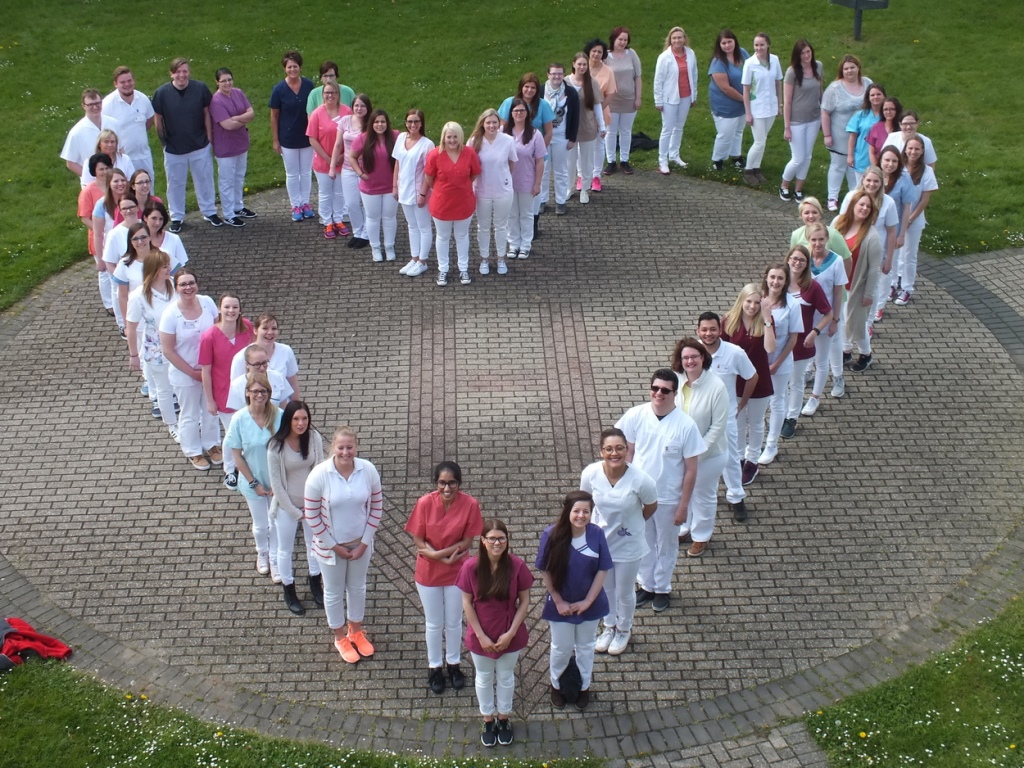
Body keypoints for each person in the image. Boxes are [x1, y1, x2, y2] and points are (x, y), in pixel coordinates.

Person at [616, 370, 705, 609]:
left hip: (668, 499)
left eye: (665, 390)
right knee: (643, 542)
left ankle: (662, 588)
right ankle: (646, 585)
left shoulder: (686, 426)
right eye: (655, 388)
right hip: (639, 497)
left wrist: (684, 506)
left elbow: (691, 470)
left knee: (666, 545)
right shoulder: (636, 415)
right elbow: (627, 452)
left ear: (675, 394)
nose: (659, 393)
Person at [304, 426, 383, 662]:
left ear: (356, 447)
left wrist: (365, 543)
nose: (345, 452)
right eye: (341, 447)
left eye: (350, 447)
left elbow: (376, 508)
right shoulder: (319, 475)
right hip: (331, 549)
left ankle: (356, 632)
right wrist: (334, 546)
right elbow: (311, 515)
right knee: (334, 592)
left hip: (361, 545)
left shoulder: (367, 470)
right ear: (333, 448)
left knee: (358, 588)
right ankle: (340, 637)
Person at [405, 461, 483, 695]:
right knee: (433, 622)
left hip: (457, 570)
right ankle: (434, 666)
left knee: (453, 621)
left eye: (452, 483)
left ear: (459, 483)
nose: (447, 488)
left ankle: (454, 663)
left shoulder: (470, 504)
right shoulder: (424, 503)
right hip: (429, 572)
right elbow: (418, 540)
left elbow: (468, 541)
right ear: (435, 483)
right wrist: (441, 556)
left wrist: (445, 557)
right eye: (442, 483)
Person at [579, 428, 657, 656]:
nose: (615, 453)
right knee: (606, 588)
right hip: (601, 542)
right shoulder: (591, 473)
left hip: (628, 545)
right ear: (601, 451)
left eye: (619, 448)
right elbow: (584, 503)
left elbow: (651, 506)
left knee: (624, 591)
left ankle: (624, 628)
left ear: (626, 449)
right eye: (609, 449)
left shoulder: (642, 480)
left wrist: (634, 525)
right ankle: (609, 625)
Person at [457, 519, 533, 748]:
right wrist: (480, 636)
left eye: (501, 538)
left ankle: (504, 718)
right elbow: (467, 603)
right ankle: (488, 719)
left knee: (506, 676)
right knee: (484, 676)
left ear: (507, 540)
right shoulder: (471, 567)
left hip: (509, 633)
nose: (497, 542)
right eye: (492, 538)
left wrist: (510, 634)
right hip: (481, 633)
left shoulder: (517, 566)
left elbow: (525, 600)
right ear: (483, 541)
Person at [535, 490, 610, 711]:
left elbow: (603, 569)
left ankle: (584, 687)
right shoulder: (551, 535)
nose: (581, 515)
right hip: (561, 606)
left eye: (586, 511)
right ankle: (556, 686)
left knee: (586, 647)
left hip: (590, 604)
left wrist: (588, 602)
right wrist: (558, 601)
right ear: (567, 511)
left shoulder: (596, 534)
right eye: (576, 511)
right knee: (561, 647)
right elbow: (545, 570)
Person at [694, 312, 758, 521]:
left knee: (731, 458)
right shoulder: (690, 352)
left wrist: (743, 402)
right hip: (696, 418)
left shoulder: (734, 353)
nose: (708, 333)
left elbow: (752, 376)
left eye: (713, 329)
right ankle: (695, 498)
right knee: (696, 457)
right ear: (698, 331)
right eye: (704, 329)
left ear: (720, 330)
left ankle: (736, 498)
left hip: (726, 418)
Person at [672, 339, 730, 557]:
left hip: (709, 455)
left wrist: (697, 454)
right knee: (683, 492)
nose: (689, 361)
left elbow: (718, 426)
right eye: (685, 357)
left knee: (703, 495)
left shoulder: (716, 386)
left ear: (703, 358)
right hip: (681, 453)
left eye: (694, 356)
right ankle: (685, 528)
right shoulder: (676, 380)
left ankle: (701, 536)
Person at [159, 268, 221, 470]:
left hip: (209, 370)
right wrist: (193, 373)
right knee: (190, 413)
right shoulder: (170, 315)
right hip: (184, 374)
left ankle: (212, 445)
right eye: (183, 284)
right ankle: (193, 451)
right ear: (176, 288)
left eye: (191, 283)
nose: (188, 287)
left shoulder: (207, 302)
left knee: (211, 409)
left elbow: (217, 332)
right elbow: (168, 351)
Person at [224, 372, 284, 581]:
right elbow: (237, 456)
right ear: (247, 393)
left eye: (264, 391)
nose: (260, 395)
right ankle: (263, 553)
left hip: (277, 480)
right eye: (255, 391)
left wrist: (279, 482)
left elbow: (286, 451)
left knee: (275, 521)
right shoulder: (239, 419)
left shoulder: (280, 416)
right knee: (261, 524)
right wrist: (254, 483)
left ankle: (275, 558)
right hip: (252, 481)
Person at [268, 401, 325, 615]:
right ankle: (289, 589)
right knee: (285, 549)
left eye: (304, 419)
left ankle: (315, 581)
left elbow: (319, 469)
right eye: (296, 419)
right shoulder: (276, 446)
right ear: (288, 421)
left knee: (314, 545)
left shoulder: (314, 438)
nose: (301, 423)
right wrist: (294, 512)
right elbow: (277, 484)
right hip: (286, 506)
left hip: (311, 504)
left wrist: (313, 506)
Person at [152, 57, 219, 231]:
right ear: (171, 73)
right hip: (174, 148)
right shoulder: (162, 93)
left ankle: (209, 211)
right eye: (178, 71)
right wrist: (163, 142)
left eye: (185, 71)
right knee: (175, 183)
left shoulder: (200, 89)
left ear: (189, 72)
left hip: (199, 144)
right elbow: (157, 119)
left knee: (205, 179)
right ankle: (176, 217)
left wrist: (209, 138)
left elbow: (207, 113)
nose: (181, 75)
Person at [720, 284, 775, 485]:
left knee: (756, 422)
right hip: (735, 382)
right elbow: (721, 350)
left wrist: (768, 318)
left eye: (756, 302)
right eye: (748, 301)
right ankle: (740, 457)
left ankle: (753, 460)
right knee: (738, 422)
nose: (752, 306)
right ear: (741, 301)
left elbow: (770, 348)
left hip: (759, 381)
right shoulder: (729, 320)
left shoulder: (765, 322)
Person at [200, 293, 255, 488]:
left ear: (240, 310)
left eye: (234, 307)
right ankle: (229, 470)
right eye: (227, 307)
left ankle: (245, 466)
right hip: (223, 393)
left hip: (248, 392)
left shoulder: (248, 328)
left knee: (247, 431)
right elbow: (206, 371)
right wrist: (210, 400)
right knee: (232, 433)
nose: (231, 311)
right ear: (219, 309)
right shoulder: (209, 337)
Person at [125, 250, 178, 441]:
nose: (169, 269)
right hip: (156, 351)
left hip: (180, 348)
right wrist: (133, 356)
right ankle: (172, 424)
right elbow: (131, 327)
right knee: (164, 389)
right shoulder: (138, 296)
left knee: (182, 386)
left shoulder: (174, 286)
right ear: (155, 270)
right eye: (165, 266)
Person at [421, 122, 481, 287]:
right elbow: (429, 177)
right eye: (449, 137)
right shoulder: (434, 155)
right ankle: (443, 269)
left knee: (462, 236)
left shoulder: (469, 153)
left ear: (461, 137)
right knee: (442, 237)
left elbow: (474, 173)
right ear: (443, 137)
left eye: (455, 136)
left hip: (464, 202)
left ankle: (463, 268)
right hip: (442, 204)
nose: (452, 140)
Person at [781, 246, 832, 438]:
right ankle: (780, 414)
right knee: (780, 383)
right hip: (778, 344)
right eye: (794, 258)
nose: (797, 263)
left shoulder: (812, 287)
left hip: (801, 345)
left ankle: (791, 418)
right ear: (788, 259)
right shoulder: (779, 283)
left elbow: (828, 313)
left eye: (802, 260)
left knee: (795, 382)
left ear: (807, 264)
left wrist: (815, 332)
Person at [758, 262, 803, 465]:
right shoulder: (758, 300)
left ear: (785, 282)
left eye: (780, 278)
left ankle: (771, 445)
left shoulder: (792, 305)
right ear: (766, 278)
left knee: (777, 402)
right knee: (758, 403)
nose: (775, 282)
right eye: (772, 277)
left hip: (780, 363)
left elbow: (793, 339)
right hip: (758, 361)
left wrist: (776, 364)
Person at [803, 222, 849, 413]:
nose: (817, 243)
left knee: (822, 359)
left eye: (821, 239)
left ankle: (815, 397)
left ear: (827, 239)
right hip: (804, 318)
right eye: (813, 239)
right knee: (804, 356)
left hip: (824, 318)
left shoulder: (836, 261)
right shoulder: (803, 258)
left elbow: (838, 292)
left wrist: (835, 320)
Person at [834, 190, 883, 372]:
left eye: (868, 206)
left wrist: (868, 294)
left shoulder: (872, 236)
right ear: (853, 205)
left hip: (856, 287)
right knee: (841, 321)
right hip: (838, 285)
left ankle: (866, 354)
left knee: (857, 323)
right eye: (861, 204)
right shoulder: (838, 224)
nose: (864, 208)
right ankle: (846, 351)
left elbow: (874, 268)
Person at [468, 108, 517, 276]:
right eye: (488, 122)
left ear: (499, 123)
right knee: (483, 226)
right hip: (481, 191)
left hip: (503, 191)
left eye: (494, 122)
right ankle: (484, 259)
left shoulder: (508, 140)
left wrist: (503, 178)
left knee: (501, 225)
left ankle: (501, 258)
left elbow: (512, 163)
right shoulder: (474, 141)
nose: (491, 125)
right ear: (482, 123)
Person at [821, 55, 872, 211]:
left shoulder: (868, 83)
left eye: (852, 67)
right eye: (846, 68)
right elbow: (825, 111)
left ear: (858, 68)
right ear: (842, 71)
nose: (849, 70)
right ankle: (832, 198)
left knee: (855, 166)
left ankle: (854, 196)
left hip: (862, 137)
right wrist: (827, 134)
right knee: (838, 166)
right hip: (840, 135)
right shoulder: (834, 88)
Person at [892, 137, 938, 307]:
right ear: (905, 149)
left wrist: (910, 219)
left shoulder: (926, 171)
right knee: (894, 253)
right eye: (910, 148)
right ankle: (892, 284)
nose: (913, 152)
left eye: (917, 149)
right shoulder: (898, 167)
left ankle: (907, 288)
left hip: (914, 220)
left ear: (922, 151)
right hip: (895, 219)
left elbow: (924, 200)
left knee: (909, 255)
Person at [270, 50, 316, 222]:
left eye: (295, 66)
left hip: (306, 137)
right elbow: (274, 116)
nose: (292, 69)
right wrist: (276, 140)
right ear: (285, 69)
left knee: (305, 172)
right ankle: (295, 205)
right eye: (289, 67)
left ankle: (305, 203)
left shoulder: (309, 86)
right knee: (291, 173)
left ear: (300, 67)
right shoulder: (279, 89)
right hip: (287, 139)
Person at [350, 109, 399, 263]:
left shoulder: (396, 136)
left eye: (383, 121)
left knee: (390, 217)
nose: (379, 125)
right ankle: (375, 247)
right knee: (372, 217)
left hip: (391, 186)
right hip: (370, 187)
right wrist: (360, 173)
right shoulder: (362, 139)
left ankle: (389, 246)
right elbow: (352, 157)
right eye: (376, 122)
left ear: (387, 123)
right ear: (371, 124)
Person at [210, 67, 255, 227]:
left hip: (240, 143)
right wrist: (244, 119)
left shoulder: (238, 93)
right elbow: (227, 125)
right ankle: (228, 213)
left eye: (229, 79)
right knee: (227, 181)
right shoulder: (216, 101)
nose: (227, 83)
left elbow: (251, 113)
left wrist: (237, 118)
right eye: (223, 81)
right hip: (225, 147)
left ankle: (238, 206)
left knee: (239, 176)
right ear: (217, 82)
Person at [876, 145, 918, 314]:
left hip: (892, 231)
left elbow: (907, 207)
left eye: (894, 161)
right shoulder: (873, 175)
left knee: (887, 267)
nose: (890, 164)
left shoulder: (903, 179)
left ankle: (880, 306)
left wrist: (902, 234)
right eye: (887, 160)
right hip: (872, 231)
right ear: (880, 160)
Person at [779, 40, 823, 202]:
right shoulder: (792, 72)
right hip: (796, 121)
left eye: (808, 52)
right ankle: (784, 185)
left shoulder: (818, 66)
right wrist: (787, 127)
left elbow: (820, 91)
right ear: (797, 55)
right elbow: (787, 101)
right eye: (802, 53)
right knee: (798, 157)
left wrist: (823, 117)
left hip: (814, 119)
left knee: (808, 156)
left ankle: (798, 189)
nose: (806, 56)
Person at [393, 109, 435, 277]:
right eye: (410, 121)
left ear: (421, 124)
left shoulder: (427, 144)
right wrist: (395, 186)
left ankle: (423, 261)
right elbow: (397, 163)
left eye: (416, 122)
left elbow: (429, 172)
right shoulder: (401, 138)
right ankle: (414, 257)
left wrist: (423, 194)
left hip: (419, 191)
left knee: (423, 227)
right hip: (404, 190)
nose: (413, 125)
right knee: (412, 226)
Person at [307, 82, 351, 240]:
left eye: (333, 92)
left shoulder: (347, 112)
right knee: (325, 192)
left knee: (339, 192)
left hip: (342, 160)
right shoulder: (317, 114)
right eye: (327, 93)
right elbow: (312, 139)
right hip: (322, 161)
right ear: (322, 95)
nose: (330, 95)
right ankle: (327, 221)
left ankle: (338, 219)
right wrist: (328, 158)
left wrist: (341, 156)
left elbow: (353, 135)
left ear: (338, 94)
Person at [503, 99, 545, 260]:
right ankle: (513, 244)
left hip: (527, 181)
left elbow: (540, 160)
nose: (519, 113)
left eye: (522, 110)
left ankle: (525, 245)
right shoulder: (503, 132)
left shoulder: (535, 134)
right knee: (511, 214)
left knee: (526, 214)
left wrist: (537, 183)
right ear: (511, 114)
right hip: (508, 182)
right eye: (516, 111)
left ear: (527, 114)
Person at [329, 93, 371, 248]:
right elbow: (338, 145)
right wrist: (333, 167)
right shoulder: (345, 121)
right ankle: (358, 231)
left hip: (366, 170)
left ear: (368, 108)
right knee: (351, 203)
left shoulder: (371, 124)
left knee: (366, 203)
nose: (359, 109)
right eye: (357, 105)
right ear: (352, 107)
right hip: (347, 168)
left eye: (362, 106)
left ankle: (367, 233)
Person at [653, 26, 698, 174]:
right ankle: (662, 161)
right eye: (674, 38)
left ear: (684, 39)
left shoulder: (690, 54)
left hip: (685, 96)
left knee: (679, 127)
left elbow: (694, 75)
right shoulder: (664, 57)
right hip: (669, 98)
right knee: (667, 129)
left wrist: (694, 96)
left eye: (680, 37)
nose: (677, 40)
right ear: (670, 40)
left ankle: (674, 155)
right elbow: (658, 81)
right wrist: (658, 101)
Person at [741, 33, 783, 186]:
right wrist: (748, 113)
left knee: (763, 141)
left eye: (761, 45)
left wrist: (780, 104)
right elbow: (745, 89)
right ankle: (747, 171)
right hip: (756, 108)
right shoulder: (750, 63)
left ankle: (756, 169)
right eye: (756, 45)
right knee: (759, 142)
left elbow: (778, 83)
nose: (758, 48)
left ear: (768, 45)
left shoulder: (775, 60)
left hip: (771, 107)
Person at [229, 313, 301, 401]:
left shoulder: (286, 351)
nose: (270, 332)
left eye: (274, 328)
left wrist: (298, 409)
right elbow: (236, 390)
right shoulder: (241, 357)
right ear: (255, 330)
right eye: (265, 328)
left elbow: (293, 384)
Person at [538, 63, 578, 216]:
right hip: (543, 137)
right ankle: (542, 200)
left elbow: (575, 117)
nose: (557, 76)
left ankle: (561, 201)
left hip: (562, 136)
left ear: (564, 75)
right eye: (553, 73)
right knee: (543, 169)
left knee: (561, 170)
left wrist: (572, 138)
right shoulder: (541, 91)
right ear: (548, 75)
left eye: (560, 74)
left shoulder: (570, 93)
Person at [102, 66, 156, 181]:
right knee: (124, 192)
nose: (127, 84)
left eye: (129, 81)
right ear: (115, 84)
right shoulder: (107, 104)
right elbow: (103, 132)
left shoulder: (142, 99)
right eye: (122, 82)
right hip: (121, 159)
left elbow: (150, 119)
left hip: (144, 156)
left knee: (146, 190)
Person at [602, 27, 642, 175]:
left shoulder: (631, 54)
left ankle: (624, 160)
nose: (622, 42)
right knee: (610, 131)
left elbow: (638, 76)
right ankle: (611, 161)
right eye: (620, 39)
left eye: (625, 40)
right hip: (612, 101)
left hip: (629, 100)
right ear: (614, 39)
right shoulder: (606, 56)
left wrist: (638, 97)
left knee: (626, 131)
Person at [567, 52, 606, 204]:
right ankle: (569, 188)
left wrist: (602, 126)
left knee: (587, 160)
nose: (582, 67)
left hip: (588, 127)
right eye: (579, 64)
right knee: (570, 161)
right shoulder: (565, 82)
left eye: (584, 64)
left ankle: (584, 189)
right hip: (569, 129)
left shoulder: (592, 83)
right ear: (573, 64)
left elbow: (597, 106)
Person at [708, 29, 749, 172]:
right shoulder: (718, 62)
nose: (727, 45)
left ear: (735, 41)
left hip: (743, 104)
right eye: (723, 43)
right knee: (725, 134)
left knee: (738, 131)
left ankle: (736, 156)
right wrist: (745, 99)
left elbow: (752, 73)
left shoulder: (743, 53)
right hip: (726, 105)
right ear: (719, 45)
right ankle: (717, 160)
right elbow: (725, 88)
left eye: (729, 41)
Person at [78, 153, 114, 315]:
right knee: (105, 270)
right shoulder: (88, 191)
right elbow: (84, 217)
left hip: (115, 236)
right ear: (94, 171)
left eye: (107, 168)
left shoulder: (114, 186)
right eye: (101, 169)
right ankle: (109, 304)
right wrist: (101, 230)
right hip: (99, 237)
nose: (105, 171)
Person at [226, 343, 294, 421]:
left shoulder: (278, 377)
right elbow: (237, 416)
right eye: (257, 364)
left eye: (264, 363)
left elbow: (283, 407)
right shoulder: (237, 385)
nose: (262, 368)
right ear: (247, 365)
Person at [583, 39, 612, 192]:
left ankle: (596, 177)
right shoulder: (580, 66)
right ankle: (581, 176)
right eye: (594, 51)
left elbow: (610, 94)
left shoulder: (608, 71)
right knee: (582, 145)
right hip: (583, 115)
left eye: (600, 52)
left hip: (602, 112)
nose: (596, 54)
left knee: (599, 145)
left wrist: (598, 110)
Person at [845, 83, 886, 190]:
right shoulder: (860, 115)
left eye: (878, 94)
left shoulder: (888, 115)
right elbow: (853, 136)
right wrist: (850, 155)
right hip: (862, 157)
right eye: (872, 95)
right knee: (860, 188)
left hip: (882, 157)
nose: (875, 97)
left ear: (884, 96)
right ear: (868, 98)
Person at [496, 72, 554, 147]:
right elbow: (502, 129)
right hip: (511, 150)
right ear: (521, 87)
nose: (529, 90)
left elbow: (549, 133)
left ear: (537, 90)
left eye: (533, 87)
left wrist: (540, 152)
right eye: (526, 86)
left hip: (535, 152)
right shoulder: (508, 103)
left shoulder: (543, 105)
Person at [61, 88, 103, 186]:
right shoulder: (76, 132)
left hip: (115, 182)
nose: (95, 107)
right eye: (90, 105)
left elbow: (121, 150)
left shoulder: (113, 123)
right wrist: (92, 178)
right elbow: (70, 163)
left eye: (98, 103)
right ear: (84, 106)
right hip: (91, 185)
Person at [143, 200, 189, 277]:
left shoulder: (174, 239)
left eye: (161, 219)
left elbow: (181, 268)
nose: (157, 223)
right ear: (145, 218)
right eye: (154, 218)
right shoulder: (138, 241)